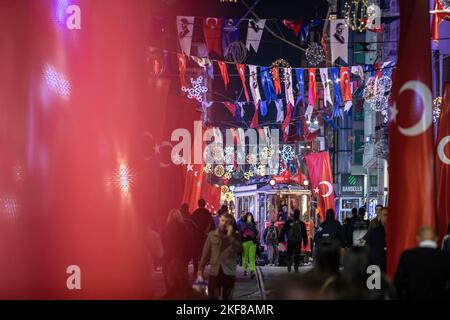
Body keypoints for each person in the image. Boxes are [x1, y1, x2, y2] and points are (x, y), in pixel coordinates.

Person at [394, 226, 450, 300]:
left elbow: (398, 284)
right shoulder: (445, 257)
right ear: (436, 239)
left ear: (418, 238)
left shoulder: (407, 256)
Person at [197, 213, 242, 300]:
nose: (224, 223)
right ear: (219, 221)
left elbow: (240, 249)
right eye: (222, 220)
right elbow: (205, 253)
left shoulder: (235, 236)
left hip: (229, 271)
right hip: (215, 271)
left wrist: (230, 237)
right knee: (212, 297)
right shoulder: (212, 235)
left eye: (227, 222)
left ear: (230, 224)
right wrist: (200, 268)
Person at [161, 209, 191, 296]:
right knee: (182, 287)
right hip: (181, 260)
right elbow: (189, 245)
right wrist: (186, 259)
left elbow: (163, 244)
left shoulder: (166, 229)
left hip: (168, 260)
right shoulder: (184, 229)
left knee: (170, 287)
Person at [191, 199, 215, 275]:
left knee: (195, 254)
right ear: (204, 205)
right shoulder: (208, 214)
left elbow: (191, 226)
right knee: (203, 254)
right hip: (205, 236)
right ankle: (201, 270)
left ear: (198, 204)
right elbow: (212, 226)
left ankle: (195, 270)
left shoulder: (194, 213)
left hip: (196, 236)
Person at [366, 207, 387, 272]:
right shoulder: (375, 232)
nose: (387, 217)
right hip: (377, 267)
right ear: (381, 216)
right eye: (385, 215)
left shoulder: (397, 233)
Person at [239, 212, 259, 278]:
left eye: (250, 216)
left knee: (252, 257)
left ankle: (252, 271)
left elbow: (256, 233)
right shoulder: (243, 224)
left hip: (252, 242)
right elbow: (241, 231)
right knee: (245, 257)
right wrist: (247, 225)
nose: (249, 218)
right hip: (245, 242)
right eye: (248, 216)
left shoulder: (253, 224)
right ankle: (245, 270)